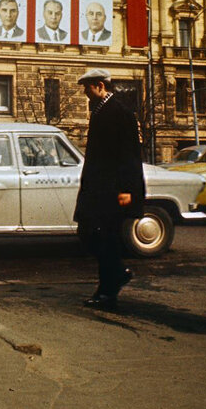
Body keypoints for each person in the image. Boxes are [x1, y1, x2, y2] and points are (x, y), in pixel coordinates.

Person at [73, 68, 145, 312]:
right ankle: (117, 274)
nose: (85, 92)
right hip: (98, 188)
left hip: (113, 189)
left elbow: (130, 155)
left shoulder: (119, 113)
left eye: (88, 87)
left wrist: (127, 189)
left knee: (107, 239)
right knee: (91, 234)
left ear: (101, 86)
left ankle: (107, 291)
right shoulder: (100, 111)